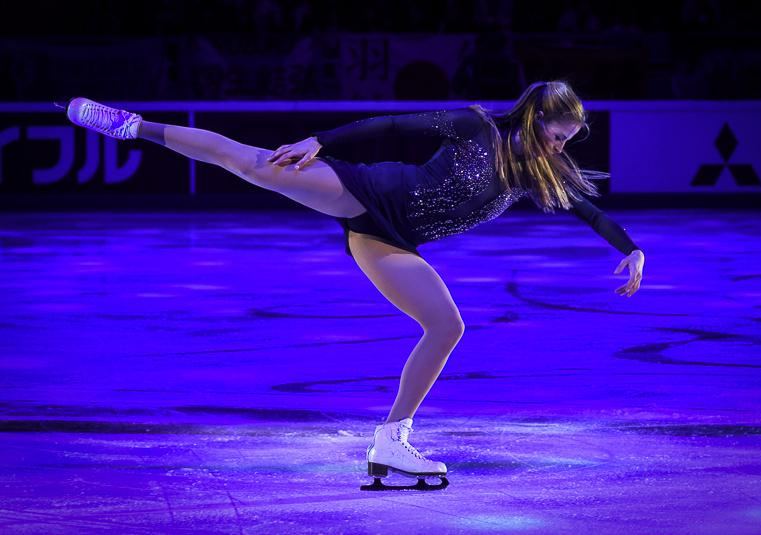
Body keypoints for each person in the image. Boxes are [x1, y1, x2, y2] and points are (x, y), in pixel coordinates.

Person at [59, 80, 644, 491]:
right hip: (365, 192)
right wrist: (323, 141)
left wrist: (631, 249)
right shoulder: (475, 126)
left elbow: (589, 211)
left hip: (389, 240)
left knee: (446, 326)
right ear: (536, 119)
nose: (560, 147)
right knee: (253, 164)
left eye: (567, 141)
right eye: (558, 135)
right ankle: (132, 125)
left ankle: (391, 441)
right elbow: (391, 124)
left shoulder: (539, 169)